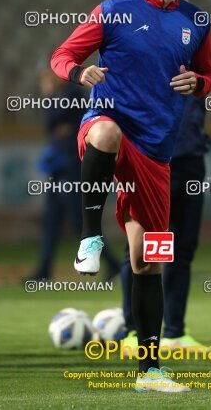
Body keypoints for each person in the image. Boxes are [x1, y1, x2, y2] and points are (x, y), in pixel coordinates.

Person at [51, 0, 211, 391]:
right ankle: (89, 239)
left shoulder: (197, 20)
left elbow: (210, 74)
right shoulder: (114, 9)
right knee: (104, 131)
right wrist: (77, 71)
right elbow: (63, 55)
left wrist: (198, 84)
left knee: (150, 261)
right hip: (109, 123)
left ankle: (149, 371)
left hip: (158, 150)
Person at [120, 95, 211, 352]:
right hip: (152, 161)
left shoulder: (195, 64)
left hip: (191, 161)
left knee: (181, 249)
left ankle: (174, 332)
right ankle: (134, 330)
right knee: (142, 248)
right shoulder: (149, 62)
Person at [28, 69, 120, 281]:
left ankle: (113, 263)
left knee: (79, 221)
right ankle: (43, 270)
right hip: (57, 168)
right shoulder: (63, 97)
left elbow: (52, 120)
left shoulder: (72, 94)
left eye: (48, 79)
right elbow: (51, 125)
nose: (46, 84)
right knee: (51, 221)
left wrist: (54, 106)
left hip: (70, 168)